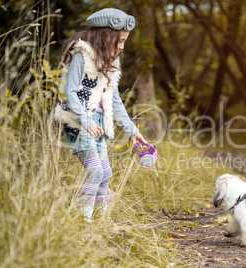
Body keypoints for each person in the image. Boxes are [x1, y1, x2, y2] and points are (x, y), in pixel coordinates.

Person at [54, 8, 147, 222]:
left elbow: (114, 100)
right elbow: (71, 93)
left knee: (106, 173)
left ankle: (101, 220)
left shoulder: (111, 63)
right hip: (79, 122)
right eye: (120, 40)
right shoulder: (82, 56)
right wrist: (85, 121)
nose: (122, 47)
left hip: (98, 123)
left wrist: (133, 132)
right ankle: (84, 221)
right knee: (95, 171)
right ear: (106, 36)